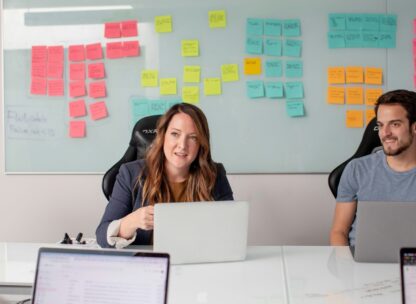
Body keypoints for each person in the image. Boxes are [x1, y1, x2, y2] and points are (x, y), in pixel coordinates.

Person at [96, 103, 234, 248]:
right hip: (148, 263)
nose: (182, 145)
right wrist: (132, 221)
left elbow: (231, 229)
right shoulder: (130, 173)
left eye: (193, 137)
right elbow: (101, 236)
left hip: (197, 260)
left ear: (201, 144)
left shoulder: (214, 174)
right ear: (163, 136)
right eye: (175, 134)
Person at [330, 89, 416, 246]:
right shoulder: (357, 169)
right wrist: (346, 266)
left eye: (395, 124)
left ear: (414, 127)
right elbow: (339, 232)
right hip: (363, 264)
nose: (385, 133)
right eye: (381, 125)